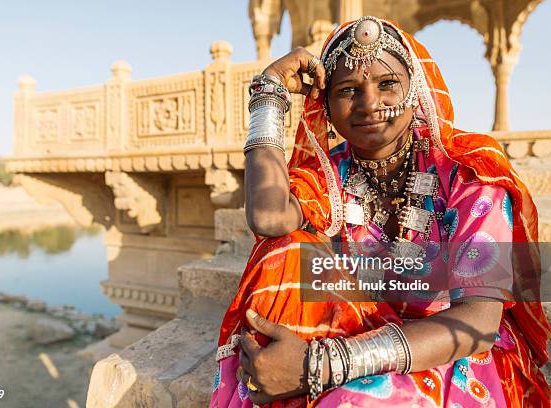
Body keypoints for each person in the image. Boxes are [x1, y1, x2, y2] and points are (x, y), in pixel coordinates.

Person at [210, 16, 550, 407]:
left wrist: (321, 366)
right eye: (349, 90)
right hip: (360, 331)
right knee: (285, 250)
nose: (369, 103)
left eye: (387, 84)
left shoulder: (466, 173)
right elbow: (269, 219)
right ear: (327, 106)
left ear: (414, 88)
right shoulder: (330, 174)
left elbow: (478, 321)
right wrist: (268, 93)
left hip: (455, 350)